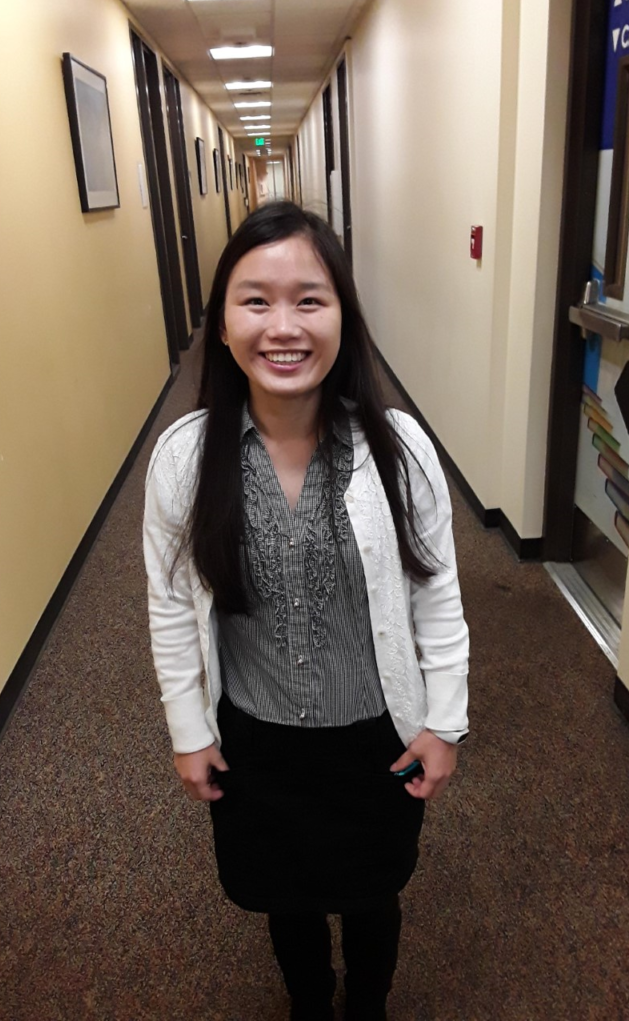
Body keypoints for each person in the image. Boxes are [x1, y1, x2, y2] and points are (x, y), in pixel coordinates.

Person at [143, 200, 469, 1021]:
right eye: (255, 300)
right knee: (284, 901)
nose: (282, 326)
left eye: (308, 299)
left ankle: (368, 1007)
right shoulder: (186, 459)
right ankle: (309, 1007)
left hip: (374, 736)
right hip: (256, 739)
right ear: (221, 325)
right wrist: (190, 731)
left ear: (342, 316)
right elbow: (172, 608)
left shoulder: (398, 448)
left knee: (372, 898)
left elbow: (438, 592)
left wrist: (445, 723)